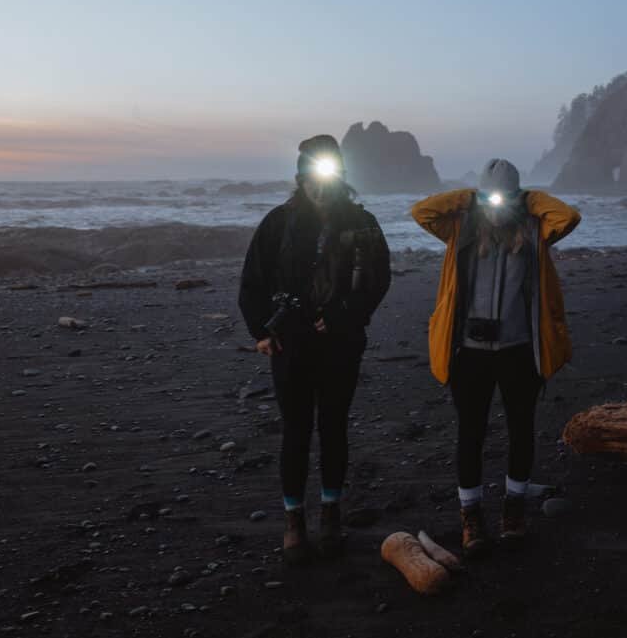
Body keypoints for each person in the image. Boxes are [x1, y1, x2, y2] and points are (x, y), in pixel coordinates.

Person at [410, 159, 580, 555]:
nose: (495, 205)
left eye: (503, 197)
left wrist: (529, 200)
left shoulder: (534, 230)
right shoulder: (460, 228)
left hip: (520, 349)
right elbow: (422, 211)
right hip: (469, 352)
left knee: (521, 429)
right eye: (487, 196)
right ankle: (471, 517)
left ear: (519, 198)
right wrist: (470, 197)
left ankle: (514, 510)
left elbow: (568, 216)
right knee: (470, 433)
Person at [238, 135, 391, 563]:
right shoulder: (278, 224)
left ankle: (330, 515)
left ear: (341, 177)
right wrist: (261, 333)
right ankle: (293, 523)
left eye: (328, 177)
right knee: (295, 431)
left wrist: (347, 314)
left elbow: (379, 278)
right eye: (311, 178)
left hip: (341, 343)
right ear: (301, 179)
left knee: (334, 428)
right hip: (292, 345)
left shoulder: (363, 224)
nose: (320, 188)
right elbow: (252, 281)